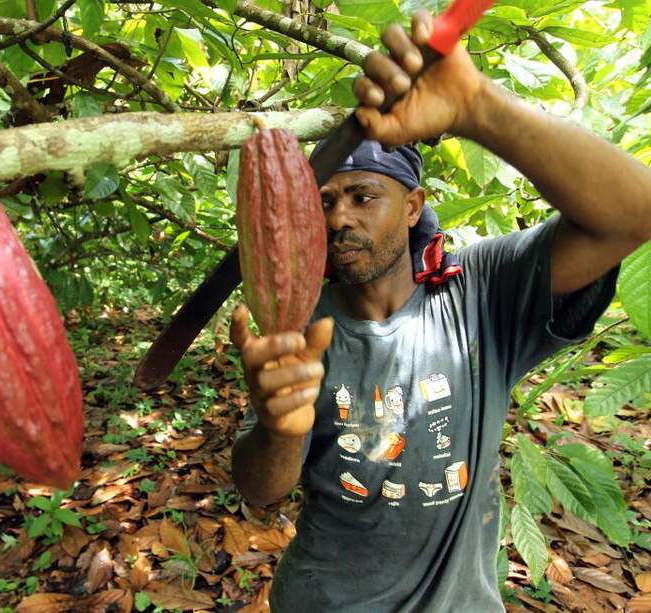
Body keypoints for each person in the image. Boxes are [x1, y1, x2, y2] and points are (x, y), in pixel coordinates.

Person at [229, 10, 651, 612]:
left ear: (411, 206)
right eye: (322, 202)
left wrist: (476, 107)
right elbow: (260, 491)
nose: (339, 218)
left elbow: (632, 214)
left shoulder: (480, 290)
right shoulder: (300, 325)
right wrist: (278, 429)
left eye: (363, 195)